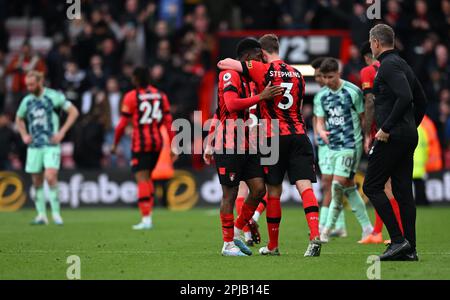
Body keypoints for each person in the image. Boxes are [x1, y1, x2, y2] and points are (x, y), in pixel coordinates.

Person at [218, 34, 322, 257]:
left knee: (273, 191)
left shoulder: (262, 70)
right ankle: (314, 236)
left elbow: (224, 63)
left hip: (273, 137)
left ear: (262, 54)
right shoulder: (298, 74)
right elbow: (301, 106)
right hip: (299, 134)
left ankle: (272, 245)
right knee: (306, 188)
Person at [204, 38, 283, 256]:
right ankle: (227, 244)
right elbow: (228, 105)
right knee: (229, 194)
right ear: (249, 56)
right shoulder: (230, 75)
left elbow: (219, 109)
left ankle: (239, 228)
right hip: (229, 144)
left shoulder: (250, 79)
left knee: (259, 189)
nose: (261, 61)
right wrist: (261, 96)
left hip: (248, 144)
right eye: (259, 57)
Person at [362, 24, 427, 261]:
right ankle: (410, 249)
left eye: (371, 43)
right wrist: (411, 126)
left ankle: (398, 240)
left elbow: (407, 97)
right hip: (407, 135)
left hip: (392, 136)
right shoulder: (403, 65)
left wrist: (388, 128)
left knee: (371, 186)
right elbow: (422, 100)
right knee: (402, 192)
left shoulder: (387, 66)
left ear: (376, 43)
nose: (371, 46)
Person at [314, 58, 373, 243]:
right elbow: (319, 120)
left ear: (338, 73)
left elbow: (364, 118)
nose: (327, 80)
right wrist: (321, 130)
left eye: (331, 76)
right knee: (347, 187)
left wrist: (367, 137)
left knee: (337, 184)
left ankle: (326, 229)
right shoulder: (321, 96)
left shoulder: (352, 92)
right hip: (332, 147)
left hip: (350, 145)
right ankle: (367, 228)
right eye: (324, 77)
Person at [112, 67, 177, 230]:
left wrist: (115, 144)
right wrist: (174, 144)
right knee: (147, 177)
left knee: (141, 178)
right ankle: (147, 216)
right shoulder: (161, 96)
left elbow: (121, 125)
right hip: (157, 143)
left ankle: (146, 218)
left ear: (135, 79)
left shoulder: (131, 97)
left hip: (140, 143)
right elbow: (169, 123)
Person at [15, 71, 79, 225]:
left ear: (40, 82)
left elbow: (74, 112)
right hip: (34, 146)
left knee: (50, 176)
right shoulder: (27, 101)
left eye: (32, 84)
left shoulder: (53, 96)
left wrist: (62, 132)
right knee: (36, 181)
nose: (29, 88)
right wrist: (24, 135)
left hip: (51, 145)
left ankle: (56, 214)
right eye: (27, 85)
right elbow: (19, 118)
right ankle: (41, 215)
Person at [358, 41, 404, 244]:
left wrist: (367, 133)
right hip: (399, 128)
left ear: (368, 56)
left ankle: (392, 234)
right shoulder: (397, 66)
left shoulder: (369, 70)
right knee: (390, 184)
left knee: (378, 185)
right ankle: (380, 232)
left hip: (381, 131)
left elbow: (370, 102)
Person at [311, 57, 347, 237]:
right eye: (318, 76)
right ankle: (339, 225)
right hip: (323, 144)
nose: (319, 80)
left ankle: (325, 224)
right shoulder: (321, 96)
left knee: (329, 183)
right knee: (333, 185)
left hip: (335, 143)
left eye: (321, 75)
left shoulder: (337, 93)